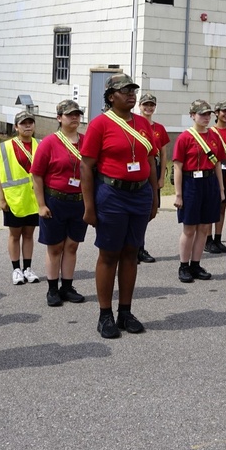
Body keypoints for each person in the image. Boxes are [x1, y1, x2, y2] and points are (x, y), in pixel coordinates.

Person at [80, 74, 159, 338]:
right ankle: (105, 315)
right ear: (111, 96)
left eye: (133, 90)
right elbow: (86, 167)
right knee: (109, 254)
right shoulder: (99, 124)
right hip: (111, 195)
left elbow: (149, 161)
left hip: (140, 195)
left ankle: (125, 311)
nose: (131, 94)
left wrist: (155, 198)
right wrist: (89, 206)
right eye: (124, 90)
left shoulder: (142, 124)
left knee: (131, 252)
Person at [31, 100, 88, 307]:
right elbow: (37, 175)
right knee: (55, 247)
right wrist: (41, 204)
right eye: (69, 114)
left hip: (79, 201)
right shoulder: (49, 142)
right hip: (55, 200)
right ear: (59, 118)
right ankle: (53, 288)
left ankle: (68, 286)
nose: (74, 118)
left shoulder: (86, 141)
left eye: (77, 114)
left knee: (72, 246)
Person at [173, 99, 226, 283]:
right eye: (201, 114)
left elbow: (218, 164)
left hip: (209, 182)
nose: (205, 117)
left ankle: (196, 264)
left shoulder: (214, 136)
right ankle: (183, 265)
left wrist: (221, 189)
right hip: (191, 184)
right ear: (192, 115)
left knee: (204, 227)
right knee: (189, 228)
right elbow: (178, 167)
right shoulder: (184, 137)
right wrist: (178, 194)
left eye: (207, 114)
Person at [0, 111, 40, 286]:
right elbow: (0, 174)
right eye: (23, 123)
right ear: (16, 127)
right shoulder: (5, 147)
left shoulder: (40, 144)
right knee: (15, 235)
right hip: (14, 198)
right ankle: (16, 269)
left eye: (30, 122)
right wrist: (2, 198)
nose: (27, 126)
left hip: (33, 198)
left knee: (29, 234)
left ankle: (27, 268)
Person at [137, 92, 168, 264]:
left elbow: (163, 155)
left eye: (151, 105)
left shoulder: (159, 129)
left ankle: (140, 246)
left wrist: (161, 177)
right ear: (140, 106)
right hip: (139, 167)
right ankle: (135, 247)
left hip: (153, 168)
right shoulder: (134, 124)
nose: (148, 108)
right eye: (145, 105)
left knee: (149, 209)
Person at [206, 100, 226, 254]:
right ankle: (207, 239)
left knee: (223, 206)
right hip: (214, 170)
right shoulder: (210, 132)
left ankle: (218, 238)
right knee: (212, 204)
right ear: (216, 113)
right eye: (224, 111)